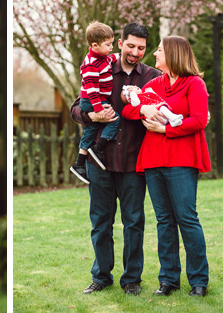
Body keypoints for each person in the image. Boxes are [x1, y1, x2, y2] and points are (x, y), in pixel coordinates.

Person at [70, 22, 161, 296]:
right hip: (100, 161)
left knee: (134, 222)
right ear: (120, 43)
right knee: (101, 222)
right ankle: (101, 276)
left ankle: (132, 278)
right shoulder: (101, 67)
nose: (135, 52)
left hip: (135, 161)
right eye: (130, 46)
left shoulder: (153, 76)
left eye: (141, 48)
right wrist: (92, 116)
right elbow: (77, 108)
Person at [122, 35, 211, 297]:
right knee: (164, 221)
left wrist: (165, 128)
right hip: (152, 160)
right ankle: (168, 280)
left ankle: (198, 281)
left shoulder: (195, 84)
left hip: (181, 160)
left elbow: (198, 120)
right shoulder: (153, 84)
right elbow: (128, 109)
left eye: (159, 50)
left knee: (186, 218)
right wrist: (143, 112)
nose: (154, 55)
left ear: (173, 54)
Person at [70, 21, 122, 184]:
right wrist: (98, 110)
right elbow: (91, 89)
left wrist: (121, 55)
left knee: (90, 130)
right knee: (114, 118)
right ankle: (98, 149)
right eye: (108, 44)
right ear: (95, 45)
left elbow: (110, 59)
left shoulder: (102, 57)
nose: (111, 47)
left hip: (96, 100)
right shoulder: (91, 64)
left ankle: (79, 163)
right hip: (92, 100)